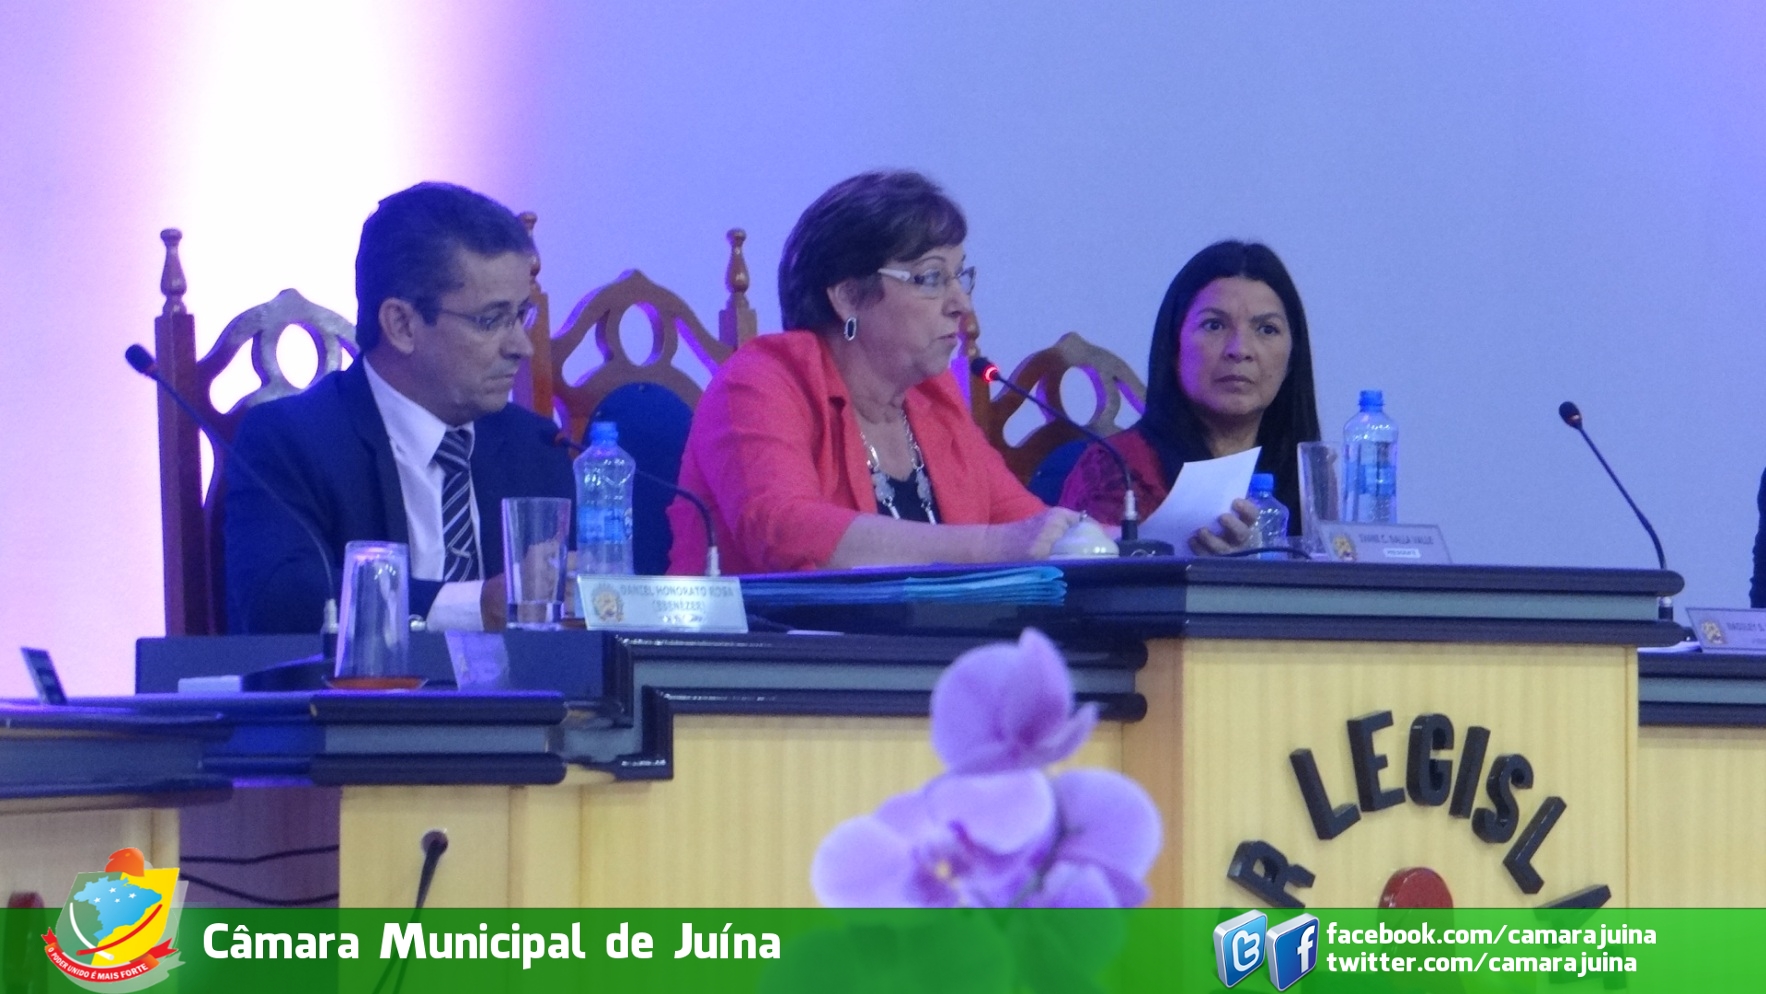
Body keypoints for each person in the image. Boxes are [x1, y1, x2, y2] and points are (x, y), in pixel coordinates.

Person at [667, 170, 1079, 574]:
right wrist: (989, 546)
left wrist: (1088, 540)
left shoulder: (932, 397)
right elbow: (785, 530)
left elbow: (1026, 527)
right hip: (771, 622)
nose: (961, 304)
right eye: (931, 278)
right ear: (849, 297)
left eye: (960, 277)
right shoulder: (760, 382)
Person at [224, 182, 573, 633]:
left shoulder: (537, 446)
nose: (521, 347)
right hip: (367, 681)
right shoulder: (291, 441)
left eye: (521, 315)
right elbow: (281, 600)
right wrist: (473, 606)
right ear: (402, 324)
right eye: (491, 320)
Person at [1058, 240, 1321, 554]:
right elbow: (1090, 574)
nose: (1240, 349)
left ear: (1292, 357)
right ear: (1174, 348)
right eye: (1214, 325)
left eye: (1266, 329)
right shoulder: (1118, 471)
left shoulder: (1311, 478)